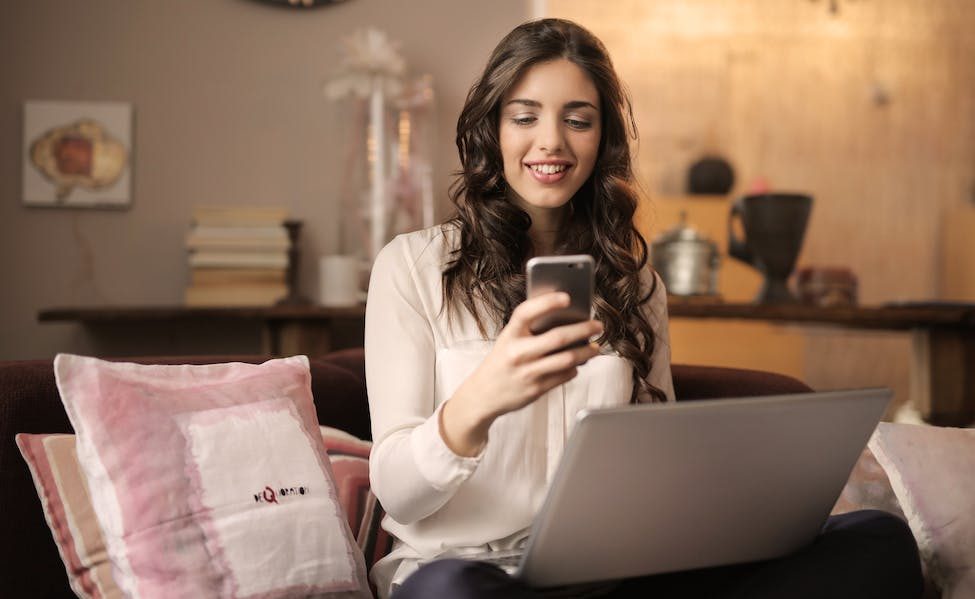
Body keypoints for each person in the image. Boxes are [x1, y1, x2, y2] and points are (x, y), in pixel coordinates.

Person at [364, 17, 923, 599]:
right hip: (470, 573)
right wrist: (481, 400)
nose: (551, 141)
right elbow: (398, 490)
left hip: (608, 574)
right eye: (525, 117)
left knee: (878, 542)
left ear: (601, 139)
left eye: (577, 120)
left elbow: (655, 469)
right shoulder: (413, 268)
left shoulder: (637, 286)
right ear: (492, 131)